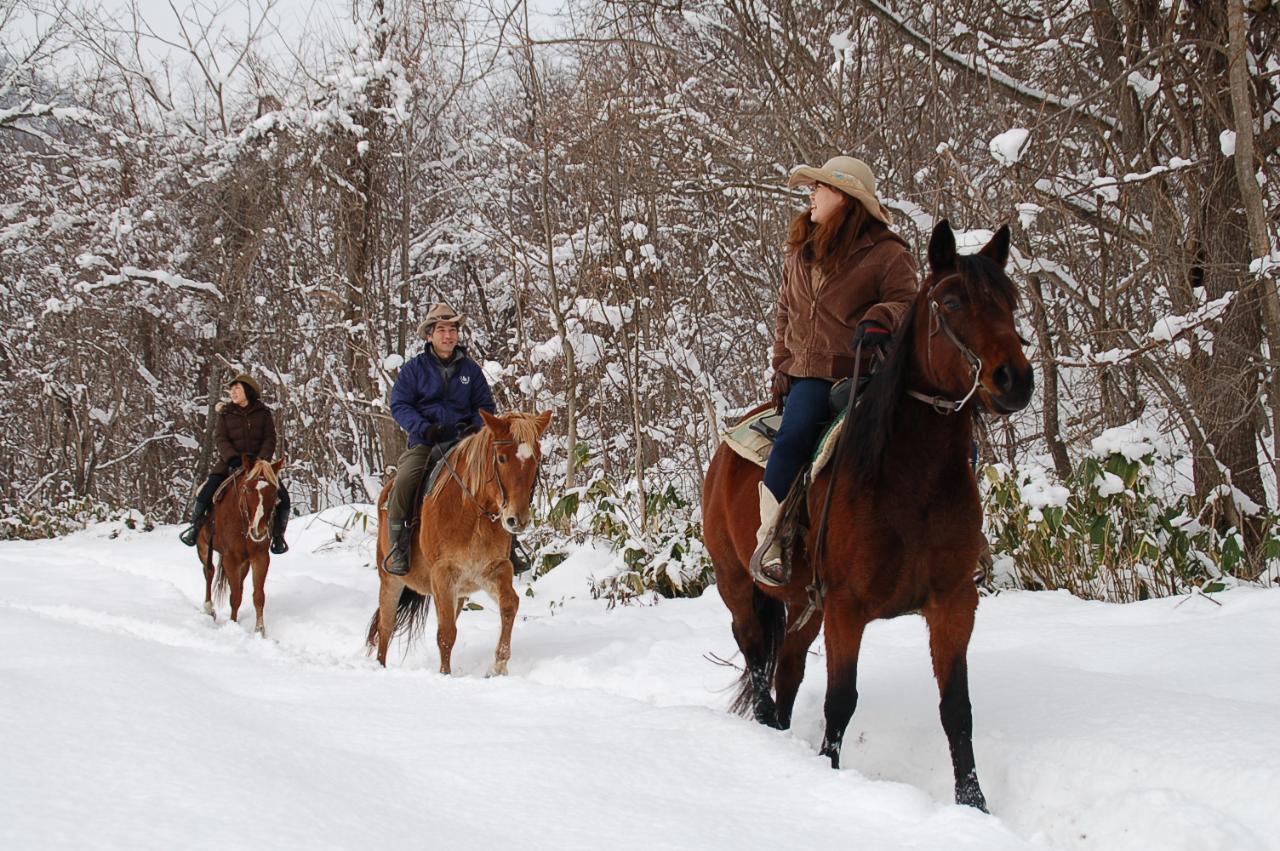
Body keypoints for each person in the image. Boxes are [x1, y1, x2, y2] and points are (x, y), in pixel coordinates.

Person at [751, 155, 919, 586]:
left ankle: (955, 540)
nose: (811, 195)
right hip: (809, 372)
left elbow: (909, 303)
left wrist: (883, 314)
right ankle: (773, 538)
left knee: (926, 434)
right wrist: (782, 365)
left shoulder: (887, 253)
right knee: (793, 436)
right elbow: (785, 313)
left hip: (866, 372)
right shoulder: (799, 253)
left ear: (844, 197)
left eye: (819, 188)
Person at [383, 301, 496, 575]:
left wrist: (473, 428)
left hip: (464, 443)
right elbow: (399, 405)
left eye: (453, 330)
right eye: (442, 330)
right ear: (429, 335)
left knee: (499, 478)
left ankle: (509, 548)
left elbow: (486, 407)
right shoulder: (414, 370)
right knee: (405, 480)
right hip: (427, 441)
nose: (448, 336)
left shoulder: (471, 370)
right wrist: (424, 428)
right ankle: (399, 546)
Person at [180, 374, 290, 554]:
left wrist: (261, 460)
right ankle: (195, 528)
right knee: (207, 492)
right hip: (229, 464)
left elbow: (270, 438)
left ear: (248, 391)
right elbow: (220, 438)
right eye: (231, 390)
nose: (233, 392)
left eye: (237, 388)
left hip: (259, 466)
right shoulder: (226, 413)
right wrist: (232, 458)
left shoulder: (263, 413)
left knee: (283, 498)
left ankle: (278, 537)